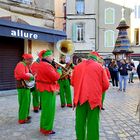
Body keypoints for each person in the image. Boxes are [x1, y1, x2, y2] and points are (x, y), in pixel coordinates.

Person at [71, 51, 110, 140]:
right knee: (93, 123)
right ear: (96, 59)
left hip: (80, 99)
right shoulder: (99, 67)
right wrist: (98, 90)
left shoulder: (77, 66)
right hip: (94, 99)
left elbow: (72, 82)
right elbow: (106, 85)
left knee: (80, 122)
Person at [36, 50, 61, 135]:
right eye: (51, 56)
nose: (53, 57)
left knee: (45, 110)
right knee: (49, 110)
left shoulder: (41, 64)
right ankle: (47, 129)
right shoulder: (47, 65)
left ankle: (43, 127)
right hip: (48, 89)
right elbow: (56, 77)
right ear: (46, 57)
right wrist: (59, 70)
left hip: (44, 88)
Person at [14, 53, 34, 124]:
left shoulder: (26, 65)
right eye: (30, 60)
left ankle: (26, 115)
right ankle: (22, 119)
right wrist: (31, 77)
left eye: (32, 60)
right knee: (24, 103)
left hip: (26, 86)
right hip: (22, 86)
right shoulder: (20, 64)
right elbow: (22, 75)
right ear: (26, 60)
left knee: (27, 102)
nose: (31, 61)